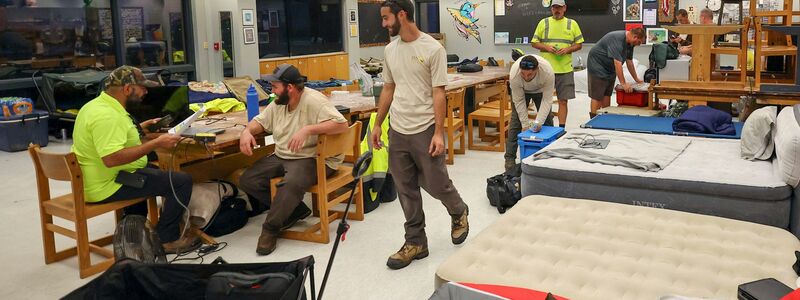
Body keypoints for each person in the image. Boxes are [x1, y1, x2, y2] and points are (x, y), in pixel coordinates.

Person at [371, 0, 469, 270]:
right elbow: (388, 88)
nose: (383, 24)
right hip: (398, 129)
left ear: (402, 15)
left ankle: (458, 209)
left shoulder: (433, 48)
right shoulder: (390, 50)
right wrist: (378, 124)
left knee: (436, 184)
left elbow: (440, 92)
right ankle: (416, 241)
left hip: (425, 127)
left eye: (386, 18)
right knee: (406, 189)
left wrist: (439, 132)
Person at [71, 66, 199, 254]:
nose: (146, 92)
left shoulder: (97, 106)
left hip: (100, 177)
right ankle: (166, 239)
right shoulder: (107, 116)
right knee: (180, 182)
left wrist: (139, 129)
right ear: (128, 89)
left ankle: (134, 231)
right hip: (109, 183)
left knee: (151, 170)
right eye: (142, 87)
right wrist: (156, 144)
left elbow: (115, 138)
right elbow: (112, 158)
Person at [238, 64, 349, 256]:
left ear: (290, 87)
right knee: (248, 180)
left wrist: (308, 129)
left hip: (312, 158)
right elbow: (260, 121)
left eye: (275, 87)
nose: (272, 91)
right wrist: (246, 131)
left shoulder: (314, 100)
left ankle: (270, 229)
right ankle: (295, 210)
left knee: (290, 185)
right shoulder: (279, 103)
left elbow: (342, 124)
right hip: (284, 154)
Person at [531, 0, 583, 129]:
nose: (556, 10)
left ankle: (561, 129)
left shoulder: (572, 24)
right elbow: (534, 43)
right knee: (543, 100)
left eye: (559, 7)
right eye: (554, 7)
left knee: (563, 101)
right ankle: (546, 126)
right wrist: (546, 47)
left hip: (565, 69)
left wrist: (567, 49)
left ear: (564, 8)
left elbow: (579, 44)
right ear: (551, 9)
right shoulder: (544, 23)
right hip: (545, 70)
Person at [504, 55, 555, 170]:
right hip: (521, 91)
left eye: (530, 74)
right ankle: (509, 158)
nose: (526, 77)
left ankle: (548, 154)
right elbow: (519, 100)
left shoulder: (547, 72)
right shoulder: (514, 73)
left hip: (540, 90)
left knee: (547, 121)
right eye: (523, 74)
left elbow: (547, 100)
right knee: (516, 122)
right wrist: (525, 125)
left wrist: (538, 122)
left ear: (537, 69)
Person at [587, 28, 645, 117]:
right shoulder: (617, 39)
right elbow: (617, 63)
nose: (639, 44)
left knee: (607, 94)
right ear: (635, 37)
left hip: (610, 68)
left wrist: (636, 79)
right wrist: (623, 84)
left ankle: (605, 117)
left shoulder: (630, 44)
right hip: (597, 65)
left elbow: (629, 62)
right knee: (597, 97)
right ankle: (593, 120)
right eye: (639, 42)